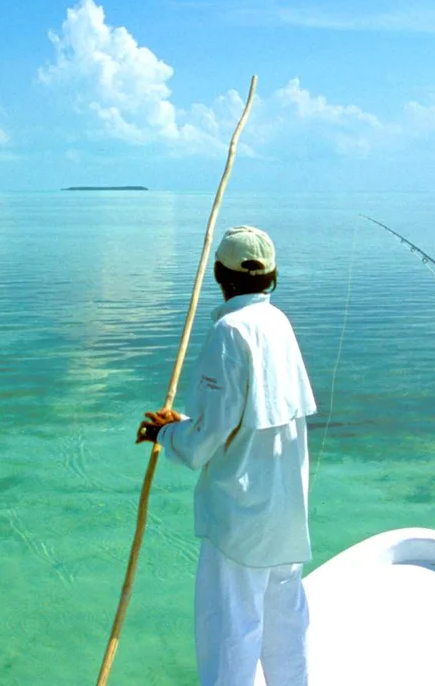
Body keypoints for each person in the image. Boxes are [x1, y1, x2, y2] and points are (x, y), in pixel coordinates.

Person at [139, 225, 317, 686]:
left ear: (220, 274)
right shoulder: (280, 323)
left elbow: (203, 443)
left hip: (241, 521)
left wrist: (167, 434)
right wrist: (185, 427)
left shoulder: (228, 331)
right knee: (286, 628)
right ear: (272, 277)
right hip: (287, 514)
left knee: (229, 636)